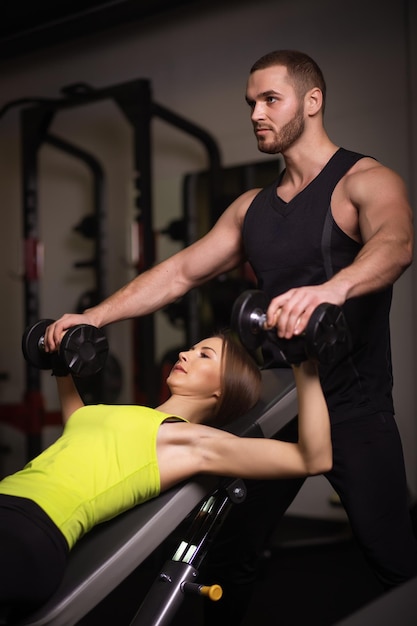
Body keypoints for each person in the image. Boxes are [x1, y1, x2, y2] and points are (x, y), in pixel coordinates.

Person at [43, 49, 417, 623]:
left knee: (391, 557)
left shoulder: (362, 181)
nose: (256, 114)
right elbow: (180, 272)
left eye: (271, 99)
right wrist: (95, 316)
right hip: (277, 401)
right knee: (226, 554)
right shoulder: (252, 209)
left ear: (312, 102)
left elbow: (395, 243)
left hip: (355, 405)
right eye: (251, 103)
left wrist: (331, 291)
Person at [0, 332, 330, 620]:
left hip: (30, 527)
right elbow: (78, 421)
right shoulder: (125, 414)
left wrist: (305, 364)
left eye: (205, 355)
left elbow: (312, 458)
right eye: (192, 348)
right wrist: (61, 364)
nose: (185, 353)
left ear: (222, 389)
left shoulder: (191, 441)